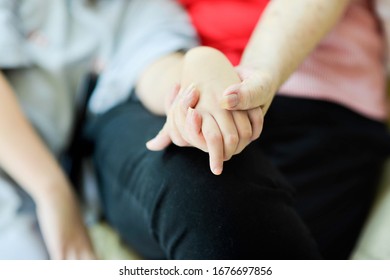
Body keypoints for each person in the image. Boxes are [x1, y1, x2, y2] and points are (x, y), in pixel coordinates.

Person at [147, 0, 390, 259]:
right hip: (208, 102)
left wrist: (256, 74)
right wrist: (192, 78)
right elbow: (148, 34)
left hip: (322, 103)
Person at [0, 0, 197, 259]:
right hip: (32, 183)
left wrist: (200, 74)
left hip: (56, 198)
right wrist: (52, 189)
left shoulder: (146, 11)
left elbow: (162, 67)